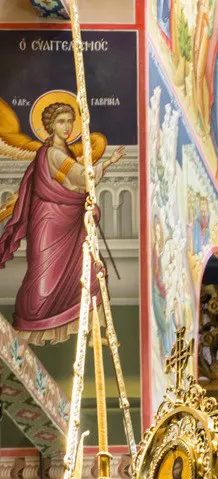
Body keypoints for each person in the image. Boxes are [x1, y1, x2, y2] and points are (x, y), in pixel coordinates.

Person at [0, 101, 118, 345]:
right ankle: (24, 333)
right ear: (50, 126)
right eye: (61, 121)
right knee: (42, 287)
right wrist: (106, 164)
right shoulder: (52, 153)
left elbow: (75, 185)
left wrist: (85, 193)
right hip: (50, 224)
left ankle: (92, 334)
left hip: (69, 223)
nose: (67, 127)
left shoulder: (63, 153)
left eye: (70, 121)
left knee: (92, 272)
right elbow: (81, 179)